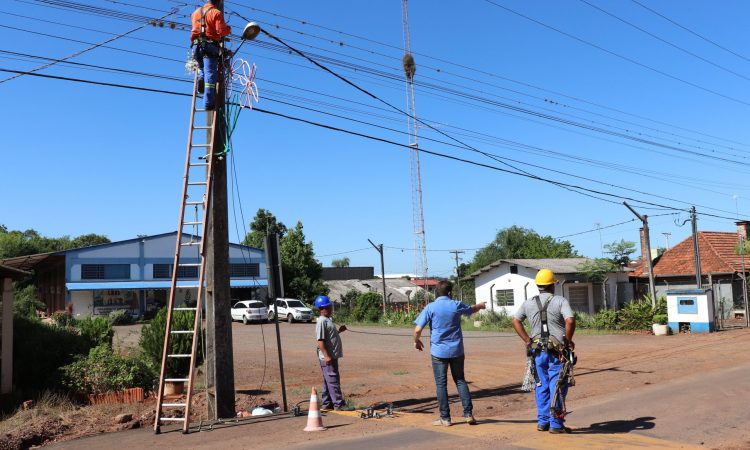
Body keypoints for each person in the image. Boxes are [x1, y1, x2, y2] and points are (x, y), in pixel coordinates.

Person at [512, 268, 576, 434]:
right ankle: (556, 424)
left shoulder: (528, 303)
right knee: (558, 385)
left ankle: (543, 422)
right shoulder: (560, 301)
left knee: (541, 386)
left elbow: (515, 320)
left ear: (538, 285)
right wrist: (567, 342)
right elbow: (570, 320)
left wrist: (527, 340)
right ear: (552, 285)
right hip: (557, 352)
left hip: (537, 352)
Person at [413, 280, 486, 426]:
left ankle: (445, 418)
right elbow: (472, 309)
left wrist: (416, 341)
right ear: (450, 293)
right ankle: (468, 414)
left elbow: (417, 330)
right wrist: (480, 305)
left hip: (439, 352)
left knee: (441, 384)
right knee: (460, 380)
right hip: (457, 350)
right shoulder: (456, 305)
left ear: (436, 293)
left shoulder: (430, 307)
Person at [314, 295, 355, 411]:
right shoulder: (321, 321)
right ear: (323, 308)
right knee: (333, 379)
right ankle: (339, 404)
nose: (331, 308)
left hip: (332, 355)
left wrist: (339, 331)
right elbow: (320, 341)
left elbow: (329, 337)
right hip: (328, 356)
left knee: (328, 380)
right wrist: (326, 356)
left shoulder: (327, 320)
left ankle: (327, 403)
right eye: (329, 306)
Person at [190, 1, 232, 110]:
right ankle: (208, 103)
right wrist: (228, 29)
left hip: (196, 47)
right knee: (210, 76)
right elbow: (221, 31)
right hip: (209, 46)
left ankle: (201, 78)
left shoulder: (195, 13)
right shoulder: (216, 13)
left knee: (202, 68)